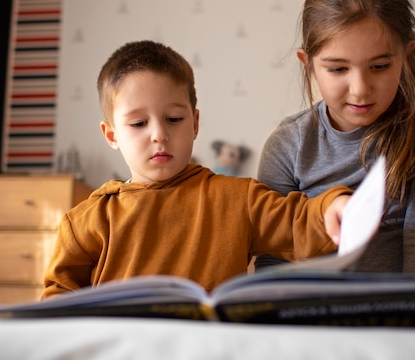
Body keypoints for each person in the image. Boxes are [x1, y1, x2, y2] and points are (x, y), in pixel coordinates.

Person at [42, 40, 353, 298]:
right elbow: (56, 307)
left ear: (195, 123)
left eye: (174, 119)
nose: (159, 135)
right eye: (138, 123)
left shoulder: (238, 199)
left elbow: (297, 221)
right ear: (112, 135)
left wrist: (332, 206)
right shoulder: (85, 223)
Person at [256, 0, 415, 275]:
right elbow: (272, 258)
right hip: (314, 315)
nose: (361, 90)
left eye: (379, 66)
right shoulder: (286, 146)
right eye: (338, 69)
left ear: (405, 57)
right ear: (308, 64)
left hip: (400, 312)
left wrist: (414, 315)